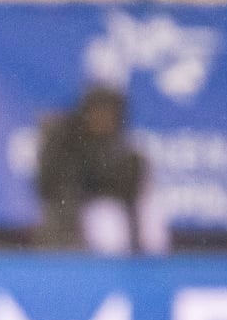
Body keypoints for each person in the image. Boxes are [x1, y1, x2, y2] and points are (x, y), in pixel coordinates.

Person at [36, 84, 170, 255]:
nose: (103, 119)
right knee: (106, 223)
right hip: (81, 214)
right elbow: (55, 189)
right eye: (98, 112)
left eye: (110, 113)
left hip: (113, 209)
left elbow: (129, 191)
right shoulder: (66, 144)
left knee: (142, 220)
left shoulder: (124, 152)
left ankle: (148, 273)